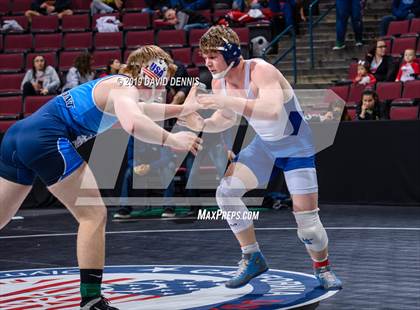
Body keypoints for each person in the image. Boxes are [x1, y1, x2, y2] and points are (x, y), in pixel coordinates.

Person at [0, 45, 202, 310]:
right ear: (150, 74)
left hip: (17, 137)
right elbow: (133, 123)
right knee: (93, 215)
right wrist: (172, 138)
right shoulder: (125, 86)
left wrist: (180, 110)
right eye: (162, 83)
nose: (161, 90)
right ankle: (92, 299)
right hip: (46, 138)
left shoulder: (117, 85)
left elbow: (139, 110)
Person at [180, 26, 342, 290]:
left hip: (295, 144)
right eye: (204, 56)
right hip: (265, 144)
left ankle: (322, 269)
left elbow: (270, 110)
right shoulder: (219, 81)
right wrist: (202, 123)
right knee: (226, 194)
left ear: (232, 53)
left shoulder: (260, 70)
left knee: (308, 224)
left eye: (212, 55)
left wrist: (225, 102)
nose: (206, 62)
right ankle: (252, 256)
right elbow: (225, 119)